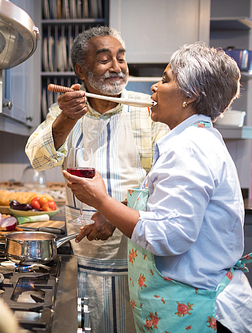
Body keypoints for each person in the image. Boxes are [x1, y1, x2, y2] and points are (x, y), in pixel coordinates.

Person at [63, 42, 252, 332]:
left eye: (165, 80)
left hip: (197, 312)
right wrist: (114, 210)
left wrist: (101, 201)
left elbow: (168, 237)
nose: (154, 87)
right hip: (179, 304)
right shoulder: (191, 141)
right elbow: (165, 213)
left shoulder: (190, 149)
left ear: (190, 95)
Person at [25, 26, 169, 332]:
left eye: (121, 58)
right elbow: (38, 158)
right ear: (81, 70)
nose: (117, 67)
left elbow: (163, 181)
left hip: (136, 252)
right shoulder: (64, 111)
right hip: (83, 253)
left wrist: (113, 212)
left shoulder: (147, 110)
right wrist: (66, 118)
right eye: (105, 59)